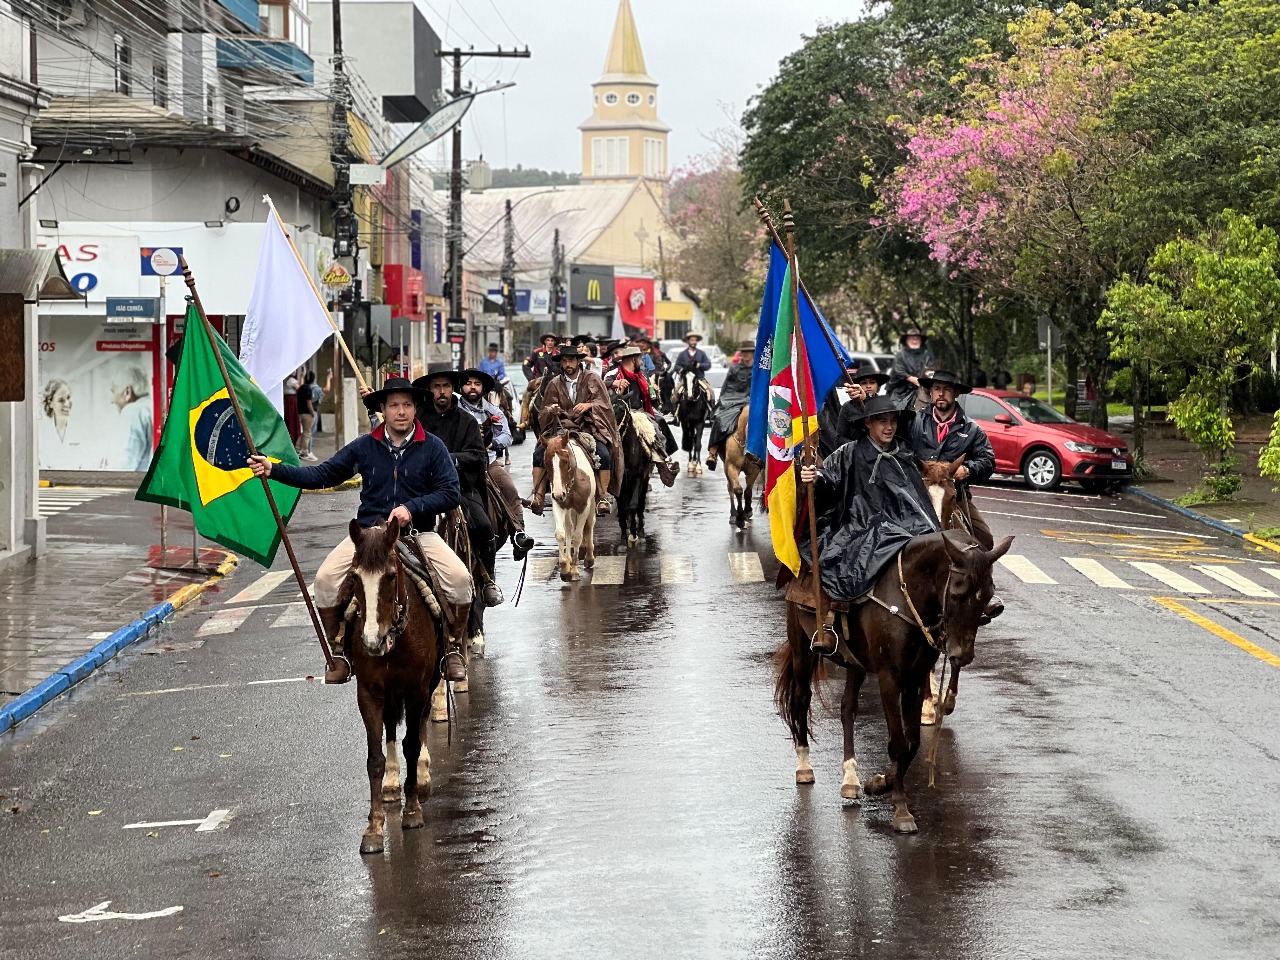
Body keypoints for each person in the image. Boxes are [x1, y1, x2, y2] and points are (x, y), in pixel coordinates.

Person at [248, 377, 471, 684]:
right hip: (368, 536)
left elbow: (450, 492)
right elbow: (323, 474)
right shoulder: (365, 447)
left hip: (417, 535)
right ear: (383, 409)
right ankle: (339, 651)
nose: (401, 411)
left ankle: (452, 649)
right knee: (325, 581)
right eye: (394, 405)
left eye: (407, 404)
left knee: (459, 581)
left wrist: (412, 508)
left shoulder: (433, 447)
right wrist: (274, 470)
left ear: (416, 409)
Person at [799, 395, 941, 655]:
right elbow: (829, 479)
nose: (889, 427)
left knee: (944, 549)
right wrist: (815, 477)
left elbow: (917, 497)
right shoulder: (849, 453)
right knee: (843, 563)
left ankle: (948, 617)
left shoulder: (903, 454)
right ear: (867, 424)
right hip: (861, 525)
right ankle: (830, 621)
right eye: (882, 421)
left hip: (908, 524)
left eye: (892, 421)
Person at [413, 365, 504, 609]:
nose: (441, 391)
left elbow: (477, 456)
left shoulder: (467, 421)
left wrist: (449, 459)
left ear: (452, 389)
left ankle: (487, 579)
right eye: (436, 387)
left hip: (459, 487)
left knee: (483, 525)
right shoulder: (418, 418)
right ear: (430, 390)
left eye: (445, 386)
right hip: (422, 490)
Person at [904, 370, 996, 550]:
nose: (941, 393)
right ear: (930, 392)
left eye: (946, 389)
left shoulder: (972, 429)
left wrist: (968, 469)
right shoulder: (913, 421)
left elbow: (988, 461)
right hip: (917, 495)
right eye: (936, 388)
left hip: (954, 496)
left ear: (956, 393)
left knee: (985, 540)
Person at [531, 343, 622, 516]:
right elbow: (544, 409)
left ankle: (602, 496)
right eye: (564, 361)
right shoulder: (554, 383)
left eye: (571, 360)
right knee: (539, 454)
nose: (568, 364)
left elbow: (605, 405)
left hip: (588, 428)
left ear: (578, 361)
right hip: (560, 428)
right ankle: (539, 496)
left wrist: (590, 405)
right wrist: (552, 410)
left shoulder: (593, 379)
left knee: (603, 453)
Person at [457, 366, 536, 561]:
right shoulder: (453, 410)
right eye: (468, 383)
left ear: (483, 388)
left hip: (487, 462)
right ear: (461, 387)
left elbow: (507, 436)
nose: (472, 387)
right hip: (457, 464)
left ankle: (518, 533)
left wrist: (492, 443)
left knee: (509, 488)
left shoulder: (494, 412)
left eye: (477, 384)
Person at [605, 345, 679, 486]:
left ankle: (662, 462)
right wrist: (614, 384)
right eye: (640, 358)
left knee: (656, 424)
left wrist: (654, 392)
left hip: (640, 411)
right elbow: (601, 386)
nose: (642, 361)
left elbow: (651, 399)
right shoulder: (613, 373)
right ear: (633, 359)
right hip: (618, 411)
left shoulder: (642, 375)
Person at [818, 361, 890, 457]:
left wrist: (866, 400)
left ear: (878, 385)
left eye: (872, 382)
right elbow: (839, 438)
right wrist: (857, 446)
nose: (868, 386)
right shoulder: (847, 407)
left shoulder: (886, 404)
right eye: (864, 383)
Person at [704, 339, 755, 471]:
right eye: (744, 352)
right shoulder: (734, 369)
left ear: (753, 353)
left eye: (748, 352)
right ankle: (713, 452)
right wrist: (722, 401)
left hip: (752, 400)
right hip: (732, 399)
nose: (746, 354)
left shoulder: (759, 369)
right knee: (719, 418)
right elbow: (726, 387)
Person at [110, 365, 154, 471]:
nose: (111, 400)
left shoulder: (133, 411)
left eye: (113, 391)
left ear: (127, 392)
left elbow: (126, 463)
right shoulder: (151, 406)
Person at [40, 379, 86, 470]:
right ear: (50, 403)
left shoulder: (81, 430)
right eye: (61, 400)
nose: (67, 404)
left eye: (68, 398)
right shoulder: (41, 432)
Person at [887, 326, 935, 411]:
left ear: (921, 341)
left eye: (917, 339)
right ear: (906, 340)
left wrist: (928, 374)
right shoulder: (900, 355)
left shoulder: (926, 355)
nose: (914, 341)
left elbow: (930, 369)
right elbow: (899, 372)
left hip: (921, 390)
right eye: (912, 339)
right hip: (901, 392)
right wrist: (912, 379)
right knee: (897, 412)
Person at [296, 371, 318, 460]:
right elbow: (309, 403)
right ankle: (304, 452)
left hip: (300, 412)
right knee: (307, 433)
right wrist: (313, 414)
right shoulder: (308, 389)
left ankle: (297, 448)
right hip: (307, 414)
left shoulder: (301, 388)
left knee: (304, 432)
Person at [283, 371, 301, 444]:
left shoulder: (287, 380)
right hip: (291, 401)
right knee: (291, 419)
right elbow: (300, 389)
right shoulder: (291, 380)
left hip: (290, 401)